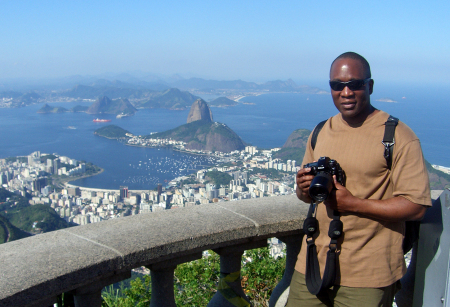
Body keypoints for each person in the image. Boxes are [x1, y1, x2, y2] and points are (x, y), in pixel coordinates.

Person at [286, 52, 432, 307]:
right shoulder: (321, 131)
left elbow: (417, 206)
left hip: (368, 274)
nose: (346, 92)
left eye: (355, 84)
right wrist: (303, 189)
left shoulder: (397, 136)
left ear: (370, 86)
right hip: (311, 263)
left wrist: (353, 204)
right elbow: (306, 196)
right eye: (337, 85)